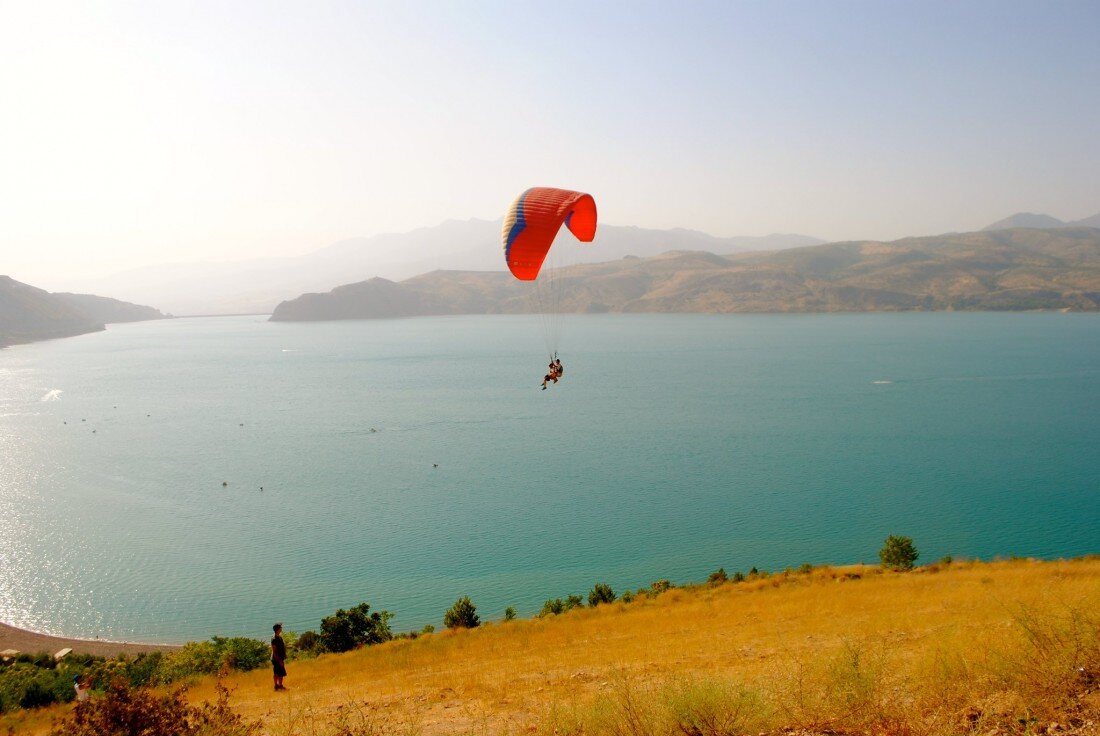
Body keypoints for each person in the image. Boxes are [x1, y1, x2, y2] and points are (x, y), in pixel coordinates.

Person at [271, 623, 287, 691]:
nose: (281, 628)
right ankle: (276, 686)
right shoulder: (274, 639)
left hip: (280, 658)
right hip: (276, 659)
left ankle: (280, 685)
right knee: (277, 673)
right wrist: (279, 660)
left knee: (281, 673)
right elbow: (274, 651)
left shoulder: (279, 637)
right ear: (277, 629)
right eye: (280, 627)